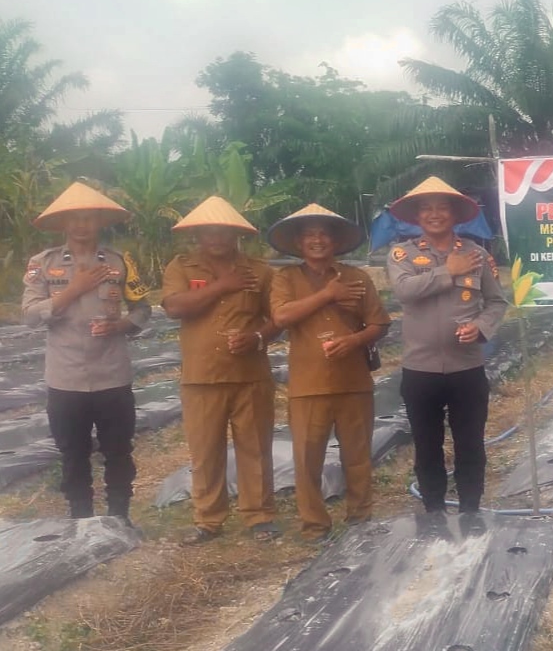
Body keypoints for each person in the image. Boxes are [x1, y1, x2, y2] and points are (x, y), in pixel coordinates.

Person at [21, 182, 151, 523]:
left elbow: (142, 309)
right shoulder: (42, 264)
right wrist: (73, 290)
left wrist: (120, 325)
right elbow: (30, 315)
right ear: (64, 223)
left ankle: (119, 517)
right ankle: (81, 521)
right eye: (74, 219)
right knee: (73, 455)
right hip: (65, 379)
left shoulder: (120, 262)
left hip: (112, 375)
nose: (81, 225)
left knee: (118, 452)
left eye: (88, 218)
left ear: (100, 222)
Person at [161, 196, 280, 543]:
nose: (216, 238)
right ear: (197, 234)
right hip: (201, 376)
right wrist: (222, 286)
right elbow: (174, 307)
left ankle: (258, 517)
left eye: (224, 232)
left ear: (237, 235)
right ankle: (208, 520)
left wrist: (258, 337)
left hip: (251, 375)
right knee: (205, 451)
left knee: (255, 447)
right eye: (209, 232)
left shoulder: (259, 271)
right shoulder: (181, 267)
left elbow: (278, 318)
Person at [269, 204, 391, 541]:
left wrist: (355, 341)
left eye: (324, 234)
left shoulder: (357, 277)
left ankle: (360, 516)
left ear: (336, 242)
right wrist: (328, 295)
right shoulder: (286, 279)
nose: (318, 240)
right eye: (310, 235)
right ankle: (314, 524)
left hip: (354, 381)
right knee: (308, 460)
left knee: (357, 454)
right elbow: (281, 318)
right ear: (298, 243)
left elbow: (380, 323)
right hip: (308, 384)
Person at [386, 177, 507, 515]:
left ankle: (470, 508)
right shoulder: (402, 255)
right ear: (416, 216)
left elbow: (497, 302)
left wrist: (480, 329)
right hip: (420, 370)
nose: (435, 214)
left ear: (455, 215)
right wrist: (448, 271)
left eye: (442, 208)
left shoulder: (477, 254)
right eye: (427, 209)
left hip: (466, 369)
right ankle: (433, 510)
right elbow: (405, 291)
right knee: (427, 445)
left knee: (470, 443)